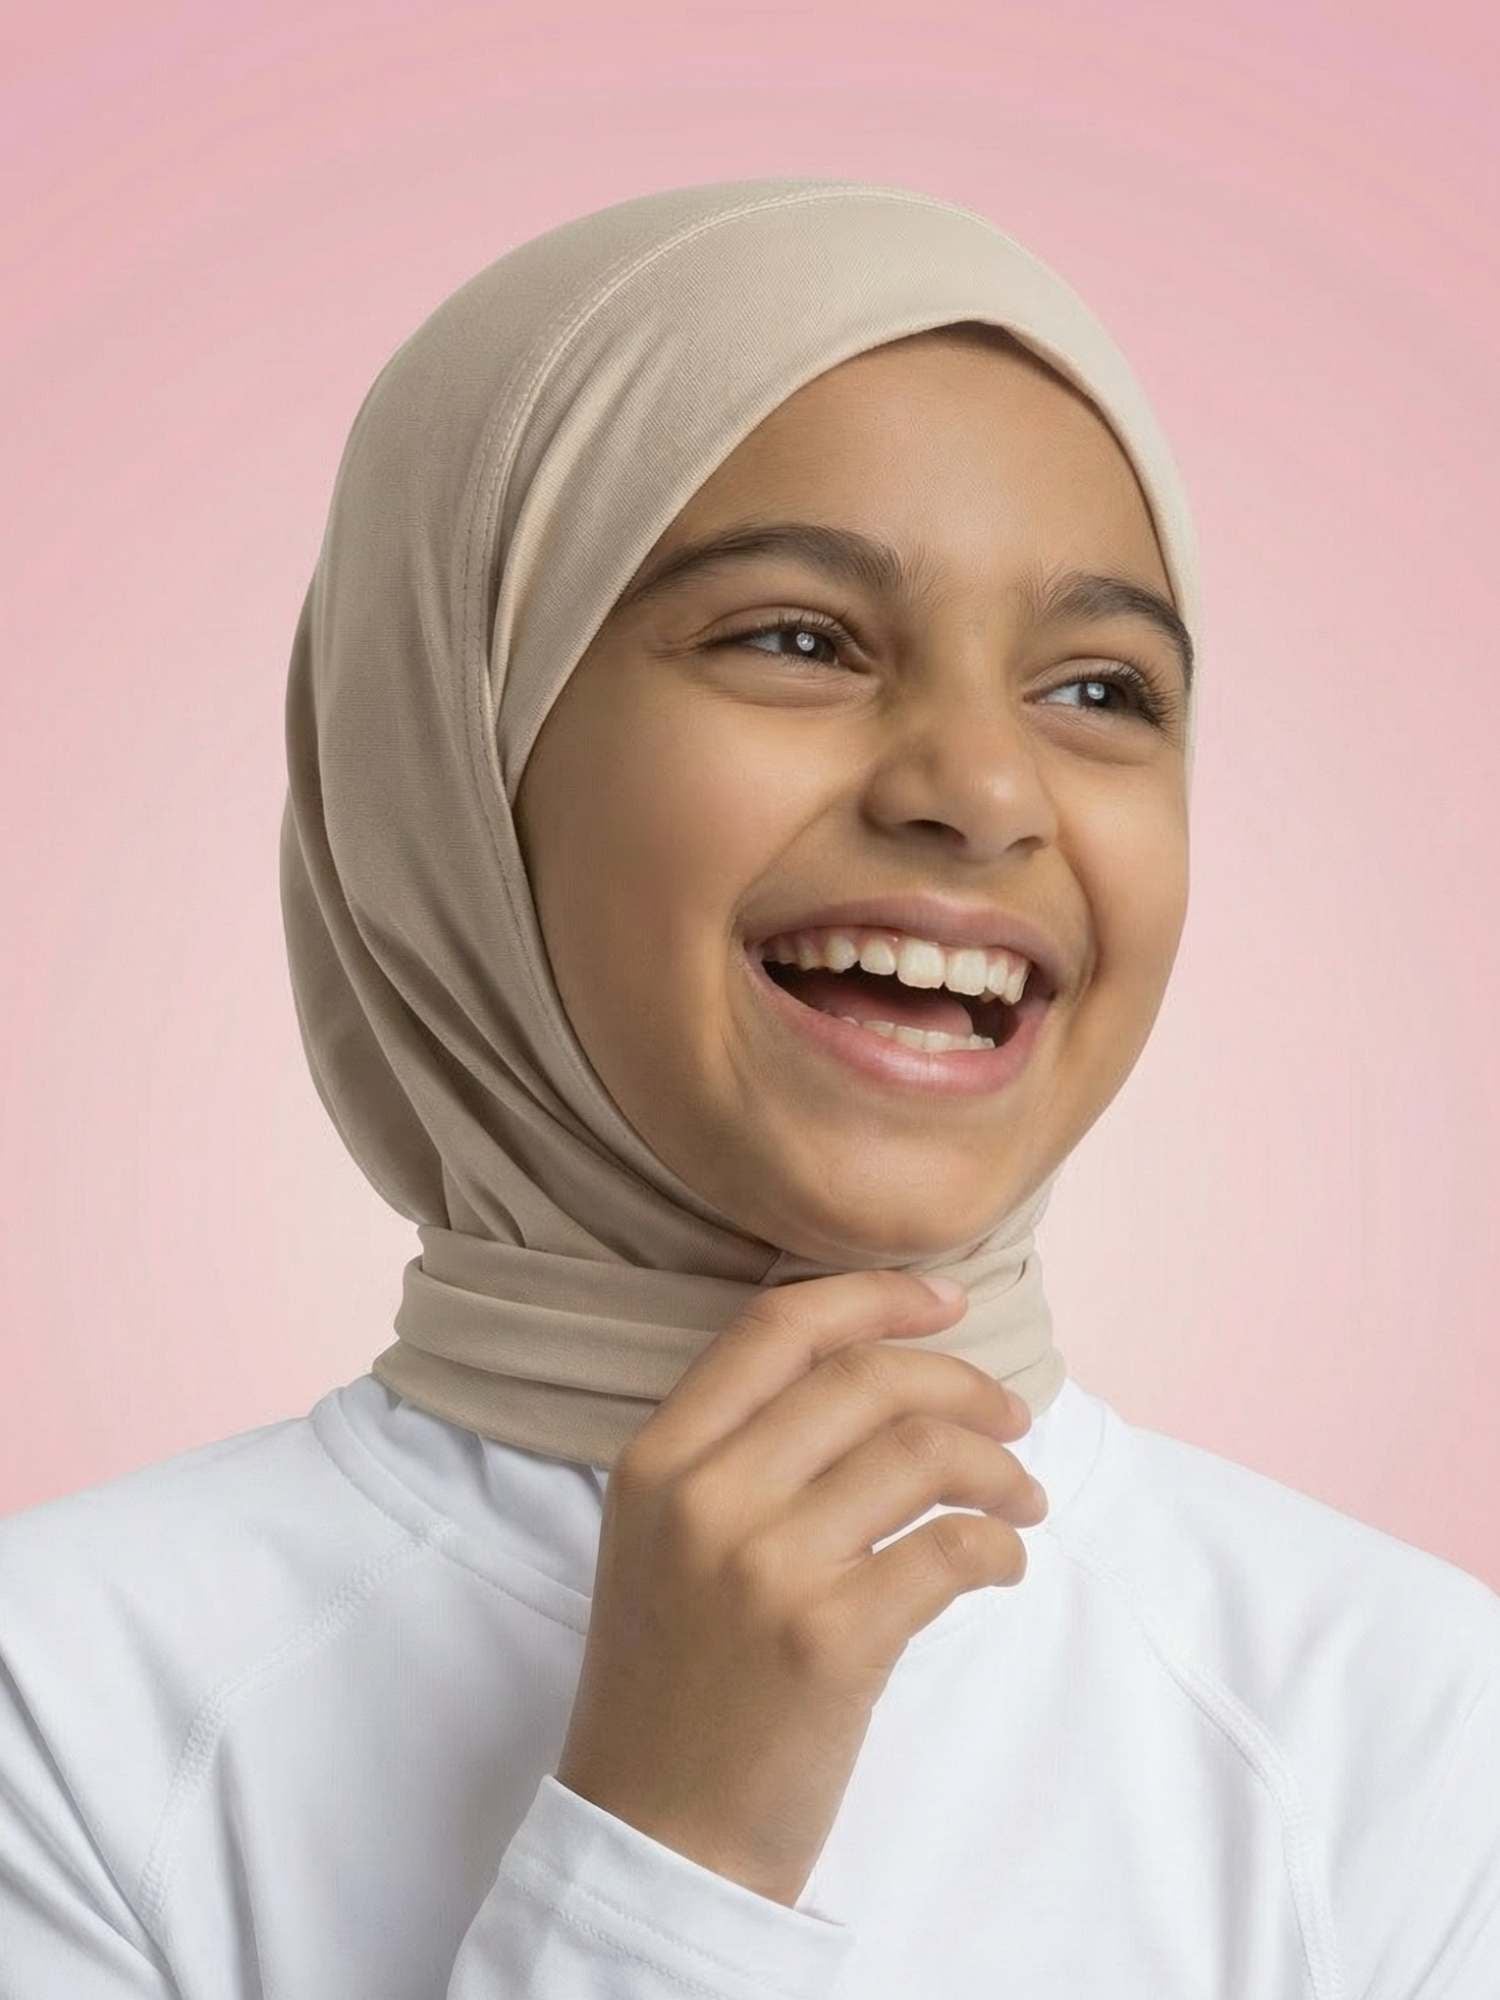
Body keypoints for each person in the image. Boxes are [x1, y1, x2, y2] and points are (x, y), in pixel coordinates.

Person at [1, 175, 1495, 1999]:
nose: (982, 788)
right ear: (458, 747)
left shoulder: (1411, 1723)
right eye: (797, 639)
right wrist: (669, 1845)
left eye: (1100, 688)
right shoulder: (58, 1708)